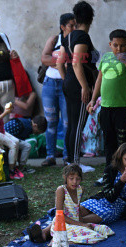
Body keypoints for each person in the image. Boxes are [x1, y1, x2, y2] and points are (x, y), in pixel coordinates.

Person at [86, 29, 126, 167]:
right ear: (110, 44)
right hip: (106, 107)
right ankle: (109, 175)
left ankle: (124, 174)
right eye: (116, 45)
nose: (119, 48)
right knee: (108, 144)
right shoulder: (105, 58)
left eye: (123, 45)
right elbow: (99, 79)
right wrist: (93, 100)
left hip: (123, 108)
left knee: (123, 144)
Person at [28, 164, 114, 244]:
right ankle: (61, 241)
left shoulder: (80, 190)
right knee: (95, 236)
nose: (75, 182)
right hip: (62, 224)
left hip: (75, 223)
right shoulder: (61, 190)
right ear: (65, 178)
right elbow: (59, 215)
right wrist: (82, 225)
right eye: (71, 178)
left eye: (78, 179)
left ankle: (46, 236)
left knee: (105, 229)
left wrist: (84, 223)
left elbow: (77, 210)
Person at [57, 1, 98, 165]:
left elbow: (60, 63)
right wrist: (84, 86)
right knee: (78, 124)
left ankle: (69, 160)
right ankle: (74, 163)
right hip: (79, 86)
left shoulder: (67, 37)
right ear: (91, 19)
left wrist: (67, 79)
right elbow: (76, 63)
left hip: (70, 83)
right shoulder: (81, 36)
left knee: (73, 124)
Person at [80, 142, 126, 224]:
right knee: (79, 210)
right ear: (120, 157)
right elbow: (109, 197)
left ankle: (74, 223)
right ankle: (69, 222)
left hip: (121, 205)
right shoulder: (110, 170)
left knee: (104, 214)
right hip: (104, 198)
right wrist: (121, 181)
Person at [40, 13, 76, 167]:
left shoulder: (77, 40)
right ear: (63, 27)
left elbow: (83, 59)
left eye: (76, 25)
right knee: (51, 122)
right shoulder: (55, 39)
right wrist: (63, 61)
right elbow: (44, 58)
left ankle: (68, 156)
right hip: (49, 84)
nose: (74, 28)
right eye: (71, 25)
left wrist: (56, 62)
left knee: (68, 122)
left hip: (66, 84)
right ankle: (50, 156)